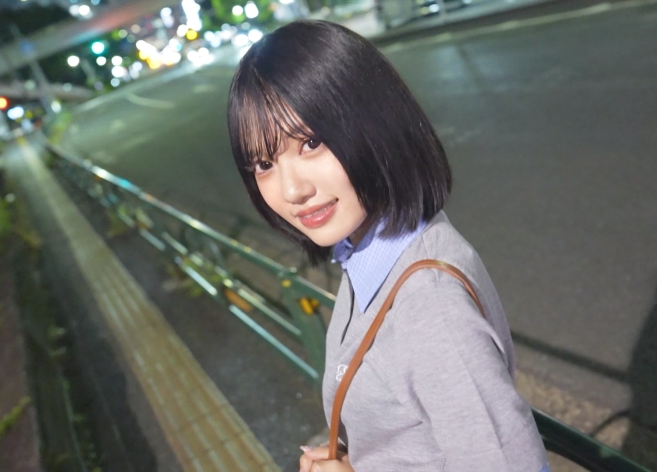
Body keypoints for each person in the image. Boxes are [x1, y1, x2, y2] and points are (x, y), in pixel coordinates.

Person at [227, 20, 548, 472]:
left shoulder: (430, 307)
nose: (292, 190)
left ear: (372, 122)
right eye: (264, 163)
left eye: (311, 142)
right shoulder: (366, 251)